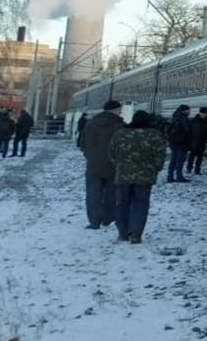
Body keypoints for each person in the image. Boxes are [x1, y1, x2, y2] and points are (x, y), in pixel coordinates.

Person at [110, 110, 166, 243]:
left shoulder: (120, 134)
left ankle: (122, 233)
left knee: (122, 204)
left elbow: (112, 153)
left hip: (123, 176)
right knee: (140, 205)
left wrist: (119, 166)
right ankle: (135, 234)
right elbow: (160, 155)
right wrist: (155, 168)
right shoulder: (154, 135)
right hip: (145, 177)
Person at [81, 100, 124, 229]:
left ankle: (94, 220)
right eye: (119, 110)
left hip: (93, 165)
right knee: (112, 193)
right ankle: (108, 217)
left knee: (93, 193)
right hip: (113, 165)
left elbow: (82, 143)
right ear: (115, 110)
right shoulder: (120, 125)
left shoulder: (90, 124)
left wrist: (90, 156)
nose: (121, 112)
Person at [165, 104, 191, 183]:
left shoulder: (174, 117)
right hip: (181, 143)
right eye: (188, 110)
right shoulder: (183, 118)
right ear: (184, 111)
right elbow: (187, 130)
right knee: (180, 161)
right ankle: (179, 177)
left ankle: (170, 177)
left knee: (173, 160)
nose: (189, 112)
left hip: (173, 142)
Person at [187, 107, 207, 175]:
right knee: (192, 155)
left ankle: (197, 170)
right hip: (194, 141)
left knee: (200, 157)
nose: (204, 115)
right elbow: (189, 132)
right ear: (200, 113)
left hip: (202, 141)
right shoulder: (194, 120)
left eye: (206, 113)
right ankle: (189, 168)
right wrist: (188, 141)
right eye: (203, 113)